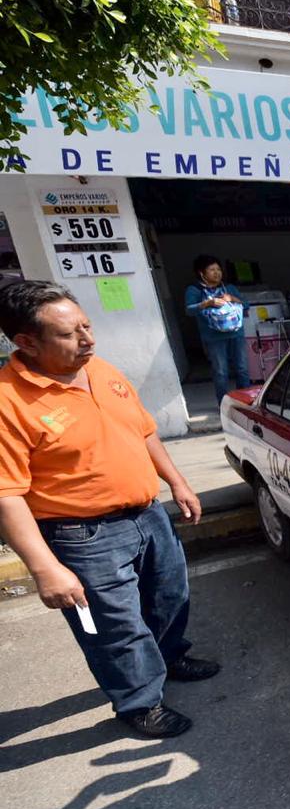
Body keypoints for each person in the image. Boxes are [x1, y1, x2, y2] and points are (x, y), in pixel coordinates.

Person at [0, 282, 219, 739]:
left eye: (86, 326)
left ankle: (169, 656)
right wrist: (44, 569)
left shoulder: (98, 368)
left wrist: (176, 482)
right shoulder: (8, 401)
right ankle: (140, 703)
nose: (88, 340)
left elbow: (143, 431)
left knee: (169, 597)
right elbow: (7, 493)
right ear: (26, 343)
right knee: (114, 627)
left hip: (148, 514)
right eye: (70, 334)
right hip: (81, 535)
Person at [184, 254, 250, 407]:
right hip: (213, 337)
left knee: (242, 369)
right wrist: (207, 303)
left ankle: (246, 402)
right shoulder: (194, 290)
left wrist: (233, 299)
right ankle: (224, 405)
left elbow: (246, 305)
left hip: (236, 334)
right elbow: (189, 310)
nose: (217, 272)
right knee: (221, 372)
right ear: (202, 273)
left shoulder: (230, 288)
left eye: (218, 269)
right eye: (212, 269)